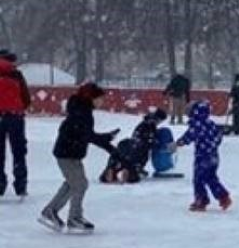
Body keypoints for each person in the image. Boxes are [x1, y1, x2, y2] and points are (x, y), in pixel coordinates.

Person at [39, 83, 118, 232]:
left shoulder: (82, 110)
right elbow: (87, 135)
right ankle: (74, 218)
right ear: (91, 98)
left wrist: (107, 140)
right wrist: (109, 145)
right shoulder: (81, 112)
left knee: (73, 183)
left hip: (71, 153)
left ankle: (51, 211)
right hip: (67, 153)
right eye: (100, 98)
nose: (102, 102)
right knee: (80, 184)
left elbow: (86, 135)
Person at [176, 101, 231, 212]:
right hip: (214, 156)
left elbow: (189, 136)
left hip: (202, 156)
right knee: (211, 178)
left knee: (198, 179)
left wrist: (178, 143)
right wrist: (212, 145)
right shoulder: (211, 123)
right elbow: (218, 137)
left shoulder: (197, 124)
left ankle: (201, 200)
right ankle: (223, 197)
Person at [100, 109, 167, 183]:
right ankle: (128, 173)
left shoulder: (144, 123)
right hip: (136, 151)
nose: (160, 123)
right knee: (133, 170)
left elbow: (138, 136)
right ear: (158, 118)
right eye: (161, 120)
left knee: (118, 162)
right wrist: (160, 145)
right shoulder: (151, 125)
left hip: (126, 147)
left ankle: (111, 171)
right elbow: (149, 141)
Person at [0, 50, 31, 199]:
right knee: (18, 151)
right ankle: (21, 184)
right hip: (15, 117)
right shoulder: (16, 74)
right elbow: (26, 98)